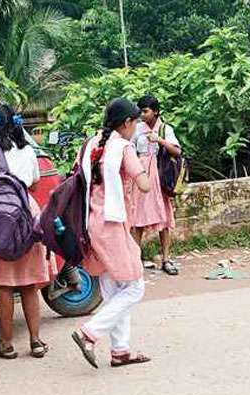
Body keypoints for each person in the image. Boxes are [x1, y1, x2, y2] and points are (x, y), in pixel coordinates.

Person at [0, 105, 53, 360]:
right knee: (29, 285)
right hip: (27, 212)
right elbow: (35, 183)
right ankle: (36, 341)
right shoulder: (27, 150)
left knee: (3, 285)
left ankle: (6, 343)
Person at [71, 98, 152, 369]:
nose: (137, 128)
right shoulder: (123, 147)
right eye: (136, 123)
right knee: (135, 285)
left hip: (90, 222)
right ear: (127, 122)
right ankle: (89, 333)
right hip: (112, 224)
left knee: (113, 288)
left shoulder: (91, 144)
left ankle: (120, 351)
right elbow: (144, 185)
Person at [130, 95, 183, 275]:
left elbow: (177, 151)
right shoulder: (136, 129)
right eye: (141, 111)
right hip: (141, 176)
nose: (142, 115)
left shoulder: (165, 129)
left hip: (160, 178)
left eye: (145, 111)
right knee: (137, 218)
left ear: (156, 111)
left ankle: (166, 259)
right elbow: (129, 150)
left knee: (164, 219)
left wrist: (159, 140)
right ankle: (135, 260)